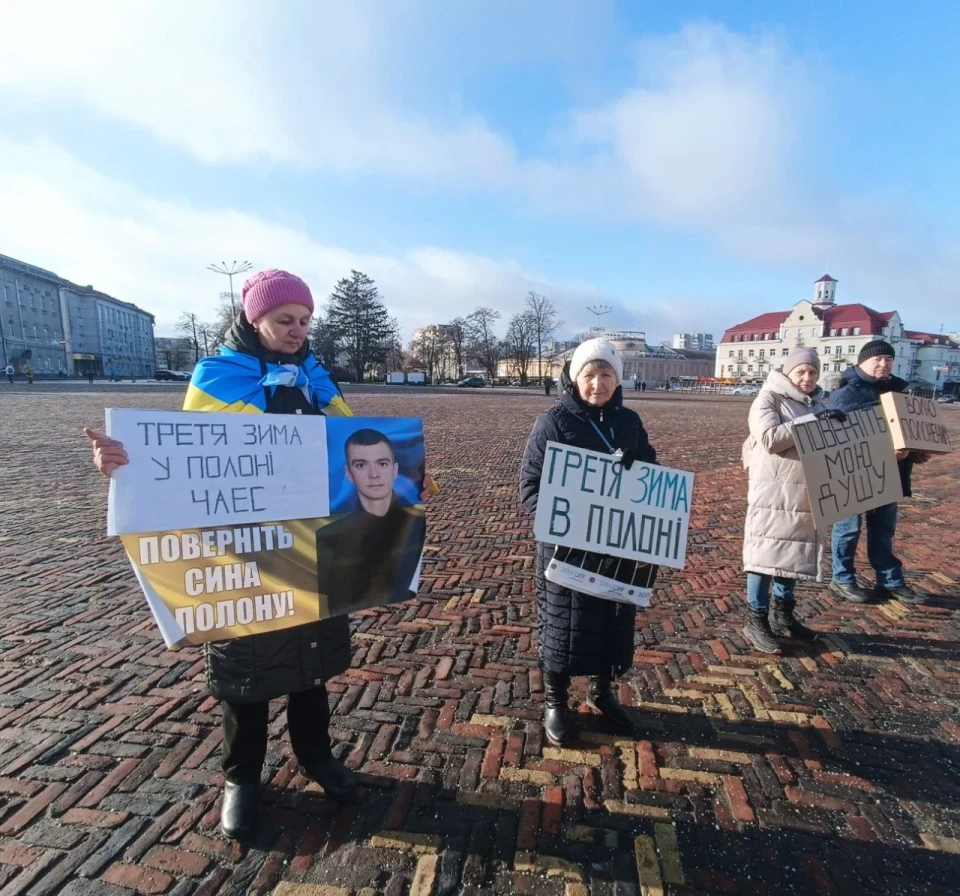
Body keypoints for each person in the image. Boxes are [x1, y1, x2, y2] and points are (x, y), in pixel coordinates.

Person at [85, 269, 435, 841]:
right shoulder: (218, 374)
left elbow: (352, 445)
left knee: (311, 667)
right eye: (284, 321)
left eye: (304, 321)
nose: (297, 331)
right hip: (243, 551)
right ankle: (241, 779)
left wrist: (412, 476)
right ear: (255, 319)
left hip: (311, 543)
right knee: (244, 674)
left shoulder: (318, 377)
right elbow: (186, 457)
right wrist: (123, 466)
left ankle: (317, 759)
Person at [520, 338, 657, 747]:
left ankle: (601, 692)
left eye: (606, 374)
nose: (598, 383)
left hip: (615, 546)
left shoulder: (630, 421)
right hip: (567, 548)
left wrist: (642, 467)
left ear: (618, 378)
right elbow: (530, 487)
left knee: (611, 621)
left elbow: (651, 472)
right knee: (563, 625)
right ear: (574, 378)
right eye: (589, 375)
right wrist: (565, 519)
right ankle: (555, 702)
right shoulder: (553, 421)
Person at [741, 347, 842, 653]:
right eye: (800, 371)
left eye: (812, 372)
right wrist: (814, 421)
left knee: (792, 554)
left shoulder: (816, 403)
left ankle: (783, 615)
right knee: (765, 555)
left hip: (803, 492)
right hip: (772, 492)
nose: (807, 377)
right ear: (788, 372)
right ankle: (755, 618)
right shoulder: (769, 398)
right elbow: (770, 437)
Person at [827, 340, 928, 604]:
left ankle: (890, 581)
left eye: (888, 359)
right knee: (848, 528)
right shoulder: (845, 394)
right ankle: (842, 578)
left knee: (884, 528)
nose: (884, 364)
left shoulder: (899, 391)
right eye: (877, 359)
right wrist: (885, 452)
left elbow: (905, 430)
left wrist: (918, 451)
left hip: (890, 472)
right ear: (862, 362)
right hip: (852, 475)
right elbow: (838, 441)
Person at [316, 428, 426, 617]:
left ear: (395, 470)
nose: (373, 474)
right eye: (361, 465)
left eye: (382, 463)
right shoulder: (326, 539)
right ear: (348, 473)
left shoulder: (415, 526)